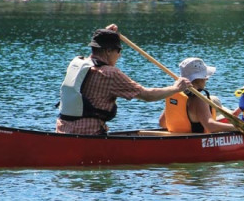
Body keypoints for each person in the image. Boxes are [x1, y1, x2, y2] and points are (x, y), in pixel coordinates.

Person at [57, 24, 192, 135]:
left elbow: (94, 58)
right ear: (109, 51)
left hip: (63, 131)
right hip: (88, 133)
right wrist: (176, 88)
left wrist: (106, 34)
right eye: (119, 51)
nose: (120, 56)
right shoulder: (110, 74)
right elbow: (147, 96)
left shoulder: (81, 64)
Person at [158, 58, 237, 133]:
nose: (207, 79)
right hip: (193, 143)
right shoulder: (200, 99)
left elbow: (162, 123)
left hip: (177, 138)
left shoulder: (174, 94)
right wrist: (237, 127)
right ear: (199, 79)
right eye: (205, 76)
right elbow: (210, 127)